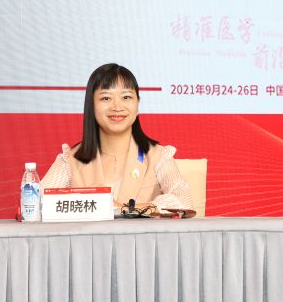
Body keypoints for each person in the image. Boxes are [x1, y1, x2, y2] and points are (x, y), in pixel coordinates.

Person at [42, 63, 194, 213]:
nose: (117, 107)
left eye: (126, 97)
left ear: (137, 104)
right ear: (91, 106)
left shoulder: (157, 156)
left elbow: (184, 202)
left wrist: (123, 209)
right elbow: (37, 203)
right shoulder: (70, 160)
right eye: (106, 98)